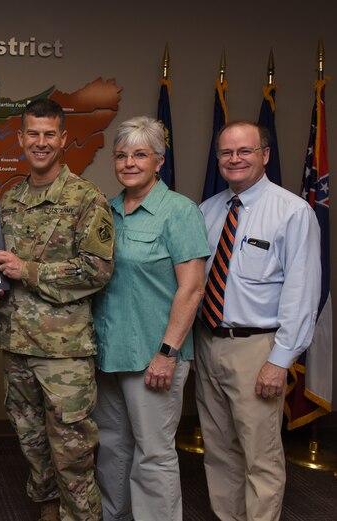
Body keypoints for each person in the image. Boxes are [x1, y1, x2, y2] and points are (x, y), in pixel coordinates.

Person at [0, 98, 114, 521]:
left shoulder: (85, 198)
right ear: (20, 139)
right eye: (32, 134)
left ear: (63, 139)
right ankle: (48, 510)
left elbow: (97, 269)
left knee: (72, 453)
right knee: (31, 442)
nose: (40, 143)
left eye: (49, 134)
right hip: (16, 342)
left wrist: (28, 270)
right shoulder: (11, 198)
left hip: (64, 351)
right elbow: (1, 265)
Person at [196, 121, 320, 521]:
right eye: (227, 153)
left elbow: (303, 293)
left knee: (259, 456)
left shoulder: (292, 212)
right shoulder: (207, 211)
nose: (234, 159)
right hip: (207, 342)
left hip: (258, 349)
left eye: (244, 151)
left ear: (264, 155)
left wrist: (280, 360)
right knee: (219, 449)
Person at [91, 116, 209, 521]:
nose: (129, 163)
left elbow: (192, 288)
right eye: (121, 155)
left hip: (153, 356)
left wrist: (167, 352)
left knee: (153, 454)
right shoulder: (105, 211)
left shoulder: (179, 211)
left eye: (140, 154)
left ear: (159, 161)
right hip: (108, 353)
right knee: (112, 447)